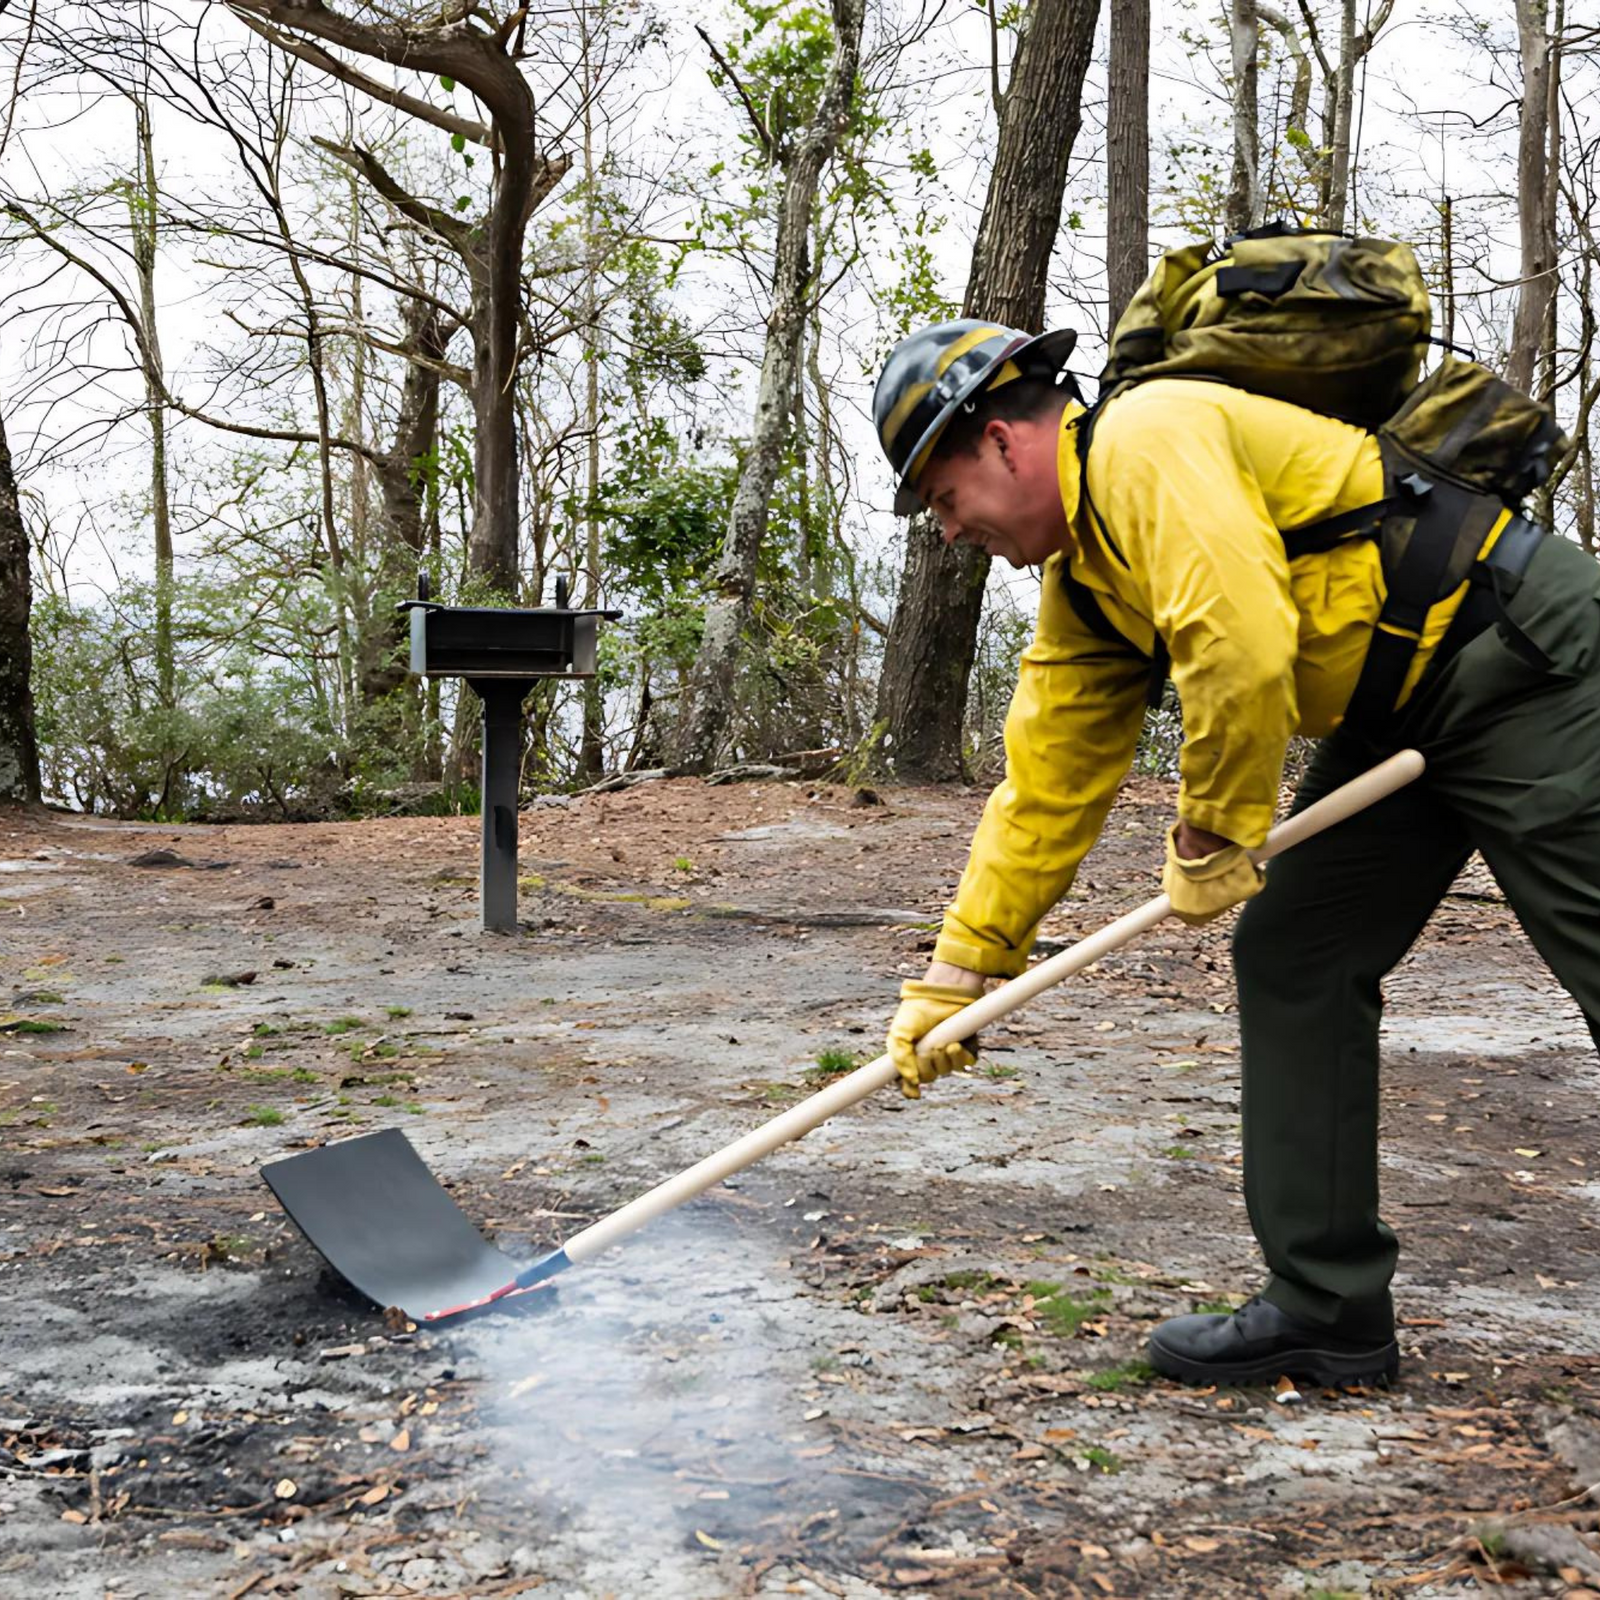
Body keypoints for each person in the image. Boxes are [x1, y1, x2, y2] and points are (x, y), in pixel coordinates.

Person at [873, 318, 1600, 1387]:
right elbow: (1044, 786)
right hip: (1396, 709)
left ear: (999, 442)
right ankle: (1326, 1305)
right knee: (1296, 950)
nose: (948, 531)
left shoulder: (1144, 440)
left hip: (1521, 655)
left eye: (943, 500)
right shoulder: (1088, 586)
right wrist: (955, 975)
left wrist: (1213, 825)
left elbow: (1240, 641)